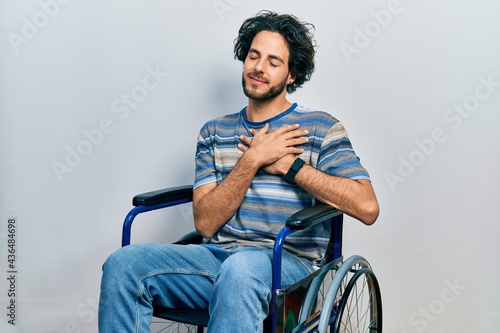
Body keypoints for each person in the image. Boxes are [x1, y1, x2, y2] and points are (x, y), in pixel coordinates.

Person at [98, 10, 379, 333]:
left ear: (291, 75)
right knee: (123, 265)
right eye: (253, 56)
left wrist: (291, 166)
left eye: (273, 62)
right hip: (216, 259)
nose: (259, 67)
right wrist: (252, 160)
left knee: (241, 269)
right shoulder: (214, 133)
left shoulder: (320, 128)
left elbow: (367, 208)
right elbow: (205, 223)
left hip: (288, 268)